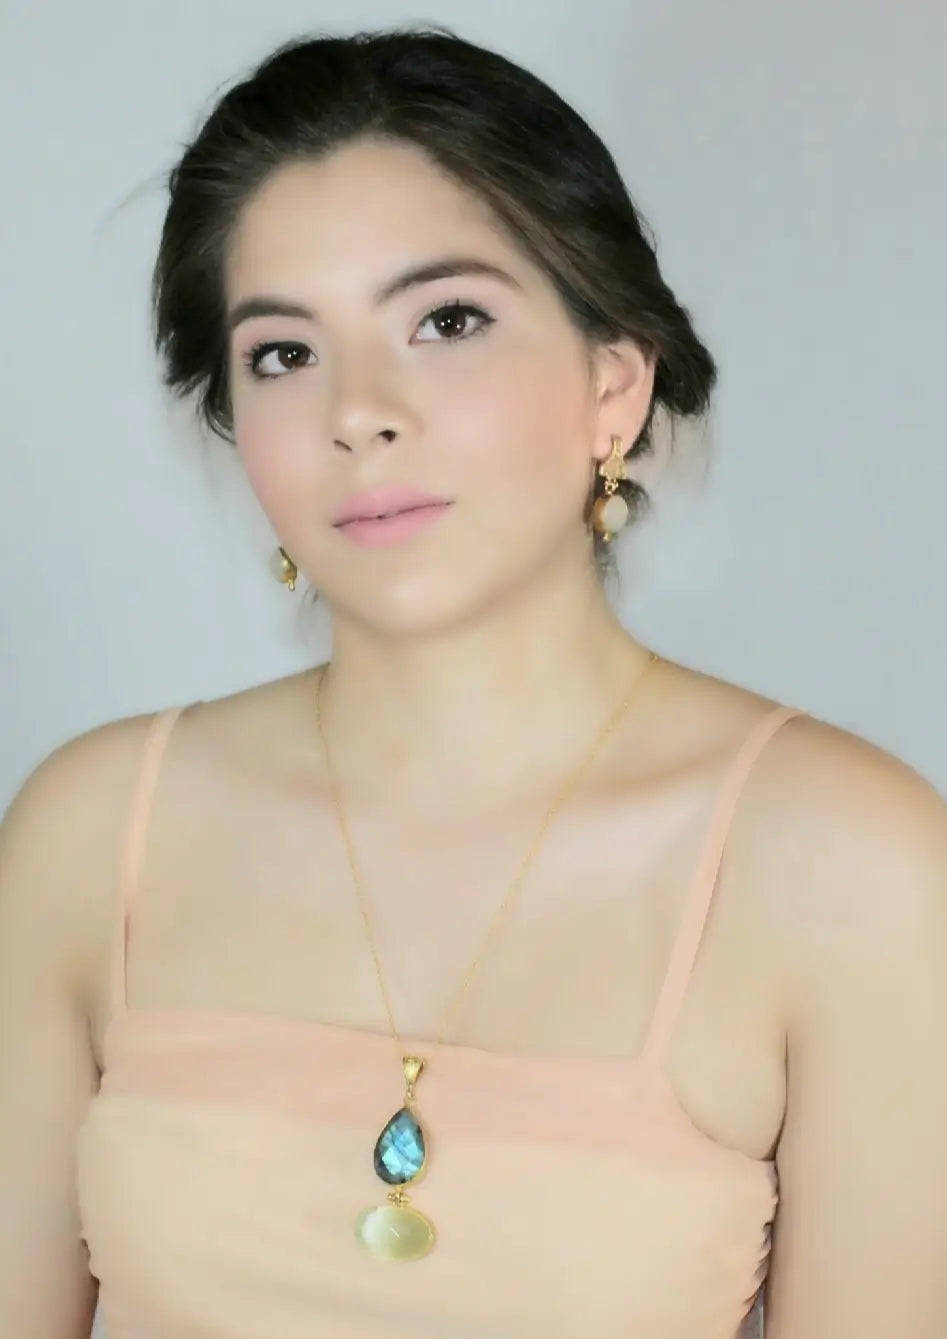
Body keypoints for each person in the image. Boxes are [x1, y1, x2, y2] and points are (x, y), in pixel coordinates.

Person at [1, 22, 944, 1339]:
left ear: (614, 388)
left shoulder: (851, 862)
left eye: (447, 320)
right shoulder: (91, 828)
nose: (358, 410)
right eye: (284, 351)